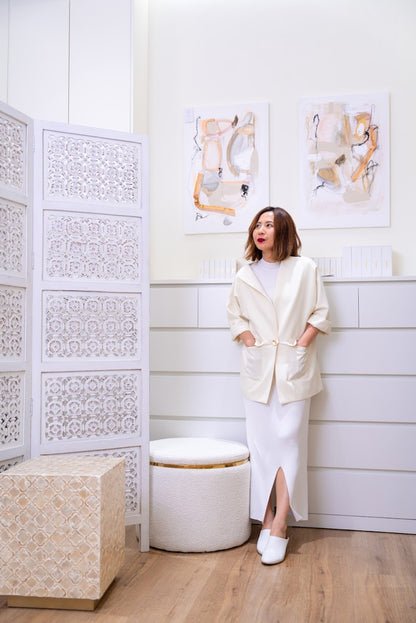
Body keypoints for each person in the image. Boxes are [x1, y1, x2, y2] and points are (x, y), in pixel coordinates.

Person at [227, 206, 331, 565]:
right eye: (258, 224)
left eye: (269, 225)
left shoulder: (305, 269)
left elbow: (320, 312)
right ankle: (267, 519)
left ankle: (281, 524)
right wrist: (249, 339)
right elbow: (235, 315)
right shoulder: (245, 274)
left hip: (294, 368)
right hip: (258, 371)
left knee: (289, 444)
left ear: (283, 230)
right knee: (262, 447)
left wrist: (301, 345)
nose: (261, 230)